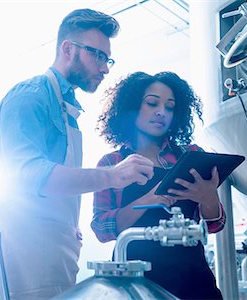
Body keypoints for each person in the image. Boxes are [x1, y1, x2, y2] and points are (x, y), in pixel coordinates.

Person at [0, 9, 157, 300]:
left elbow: (54, 185)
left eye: (108, 59)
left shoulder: (68, 107)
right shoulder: (30, 96)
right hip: (22, 250)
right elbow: (29, 176)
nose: (105, 68)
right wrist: (113, 176)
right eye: (98, 56)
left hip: (52, 247)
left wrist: (66, 226)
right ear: (68, 49)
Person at [91, 71, 226, 299]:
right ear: (132, 107)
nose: (161, 112)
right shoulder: (111, 163)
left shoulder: (191, 155)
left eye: (170, 107)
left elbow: (214, 225)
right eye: (152, 103)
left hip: (192, 279)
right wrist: (148, 199)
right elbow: (102, 229)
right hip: (135, 282)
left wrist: (208, 197)